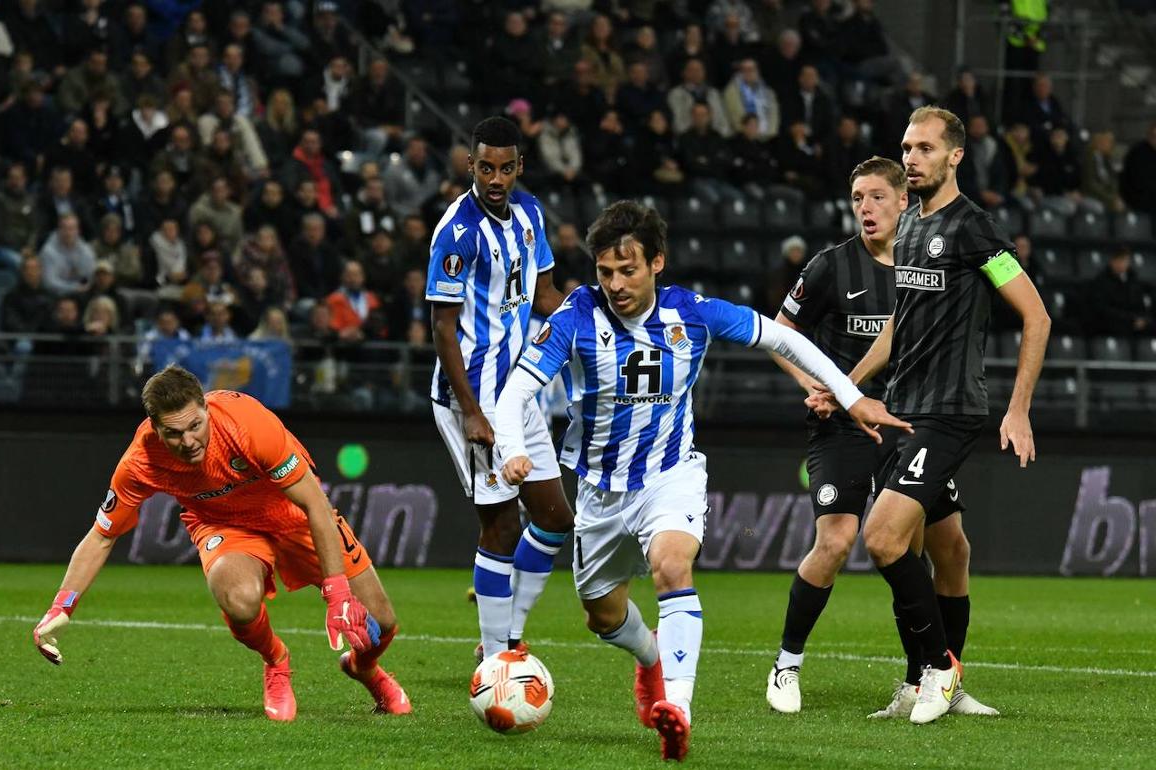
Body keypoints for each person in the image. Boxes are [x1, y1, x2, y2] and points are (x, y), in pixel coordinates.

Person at [493, 199, 909, 761]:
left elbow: (783, 338)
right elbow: (517, 391)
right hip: (598, 492)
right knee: (602, 614)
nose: (615, 283)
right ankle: (651, 661)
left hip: (671, 475)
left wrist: (852, 396)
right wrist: (514, 449)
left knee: (672, 565)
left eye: (628, 269)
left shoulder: (692, 312)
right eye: (605, 272)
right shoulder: (575, 318)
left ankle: (678, 709)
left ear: (657, 262)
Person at [809, 106, 1050, 724]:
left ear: (954, 157)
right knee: (946, 548)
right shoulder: (911, 227)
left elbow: (1036, 315)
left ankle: (939, 669)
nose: (911, 158)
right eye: (906, 148)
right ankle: (928, 683)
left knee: (883, 537)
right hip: (902, 414)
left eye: (923, 149)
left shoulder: (975, 231)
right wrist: (846, 386)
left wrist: (1018, 410)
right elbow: (897, 326)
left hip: (950, 411)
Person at [31, 365, 412, 720]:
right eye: (174, 433)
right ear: (155, 428)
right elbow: (102, 535)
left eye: (195, 425)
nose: (188, 441)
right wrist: (61, 605)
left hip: (294, 515)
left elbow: (315, 504)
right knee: (236, 596)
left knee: (383, 623)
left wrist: (338, 594)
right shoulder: (140, 461)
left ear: (206, 409)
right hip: (223, 524)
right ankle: (276, 660)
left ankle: (363, 669)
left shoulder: (248, 424)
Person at [761, 156, 997, 718]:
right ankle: (787, 663)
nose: (865, 208)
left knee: (949, 549)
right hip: (843, 426)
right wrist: (817, 386)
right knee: (838, 541)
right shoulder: (829, 266)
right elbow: (778, 334)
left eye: (876, 197)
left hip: (913, 421)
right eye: (857, 198)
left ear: (903, 201)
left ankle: (936, 679)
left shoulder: (924, 260)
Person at [426, 116, 575, 662]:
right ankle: (496, 657)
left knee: (557, 518)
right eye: (485, 167)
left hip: (519, 391)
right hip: (473, 396)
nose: (495, 177)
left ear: (518, 168)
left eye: (505, 168)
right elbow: (443, 329)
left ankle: (505, 629)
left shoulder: (531, 213)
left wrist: (594, 323)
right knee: (503, 523)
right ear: (471, 164)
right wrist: (470, 411)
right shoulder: (457, 233)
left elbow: (544, 296)